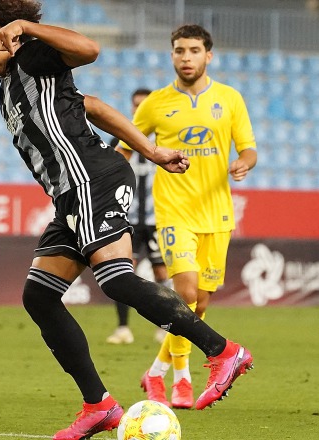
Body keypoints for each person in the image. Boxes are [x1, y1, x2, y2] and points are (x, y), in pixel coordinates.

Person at [0, 1, 253, 439]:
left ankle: (224, 352)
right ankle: (99, 405)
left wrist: (27, 28)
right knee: (39, 295)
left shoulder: (33, 57)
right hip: (70, 196)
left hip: (93, 179)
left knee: (115, 279)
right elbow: (91, 105)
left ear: (12, 36)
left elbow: (89, 49)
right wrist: (151, 151)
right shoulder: (9, 88)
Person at [132, 24, 258, 410]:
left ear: (208, 56)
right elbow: (126, 144)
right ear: (172, 55)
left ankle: (156, 371)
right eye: (179, 51)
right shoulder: (155, 103)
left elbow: (249, 149)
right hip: (173, 212)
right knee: (184, 292)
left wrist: (242, 163)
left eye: (193, 50)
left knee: (199, 304)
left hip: (216, 213)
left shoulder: (230, 99)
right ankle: (182, 379)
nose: (186, 57)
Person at [105, 88, 170, 345]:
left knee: (162, 273)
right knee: (123, 272)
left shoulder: (165, 140)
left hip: (158, 219)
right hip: (127, 220)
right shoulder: (118, 140)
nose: (138, 109)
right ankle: (123, 328)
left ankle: (166, 326)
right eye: (135, 105)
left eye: (144, 105)